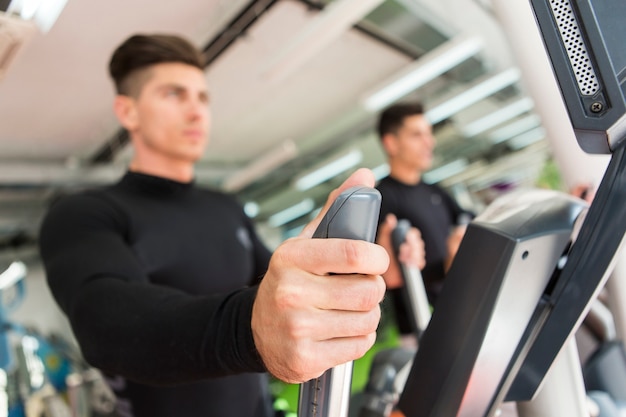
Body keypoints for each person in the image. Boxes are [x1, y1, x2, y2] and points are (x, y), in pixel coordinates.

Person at [37, 33, 389, 417]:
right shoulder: (86, 214)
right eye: (174, 94)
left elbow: (278, 291)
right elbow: (107, 322)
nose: (196, 111)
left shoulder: (226, 208)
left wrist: (342, 285)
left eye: (202, 98)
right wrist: (250, 327)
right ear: (128, 112)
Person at [375, 102, 473, 338]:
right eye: (417, 135)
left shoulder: (435, 191)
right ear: (391, 143)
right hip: (420, 323)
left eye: (429, 134)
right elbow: (387, 272)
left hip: (456, 310)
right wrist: (448, 263)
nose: (429, 142)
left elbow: (467, 218)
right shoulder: (383, 198)